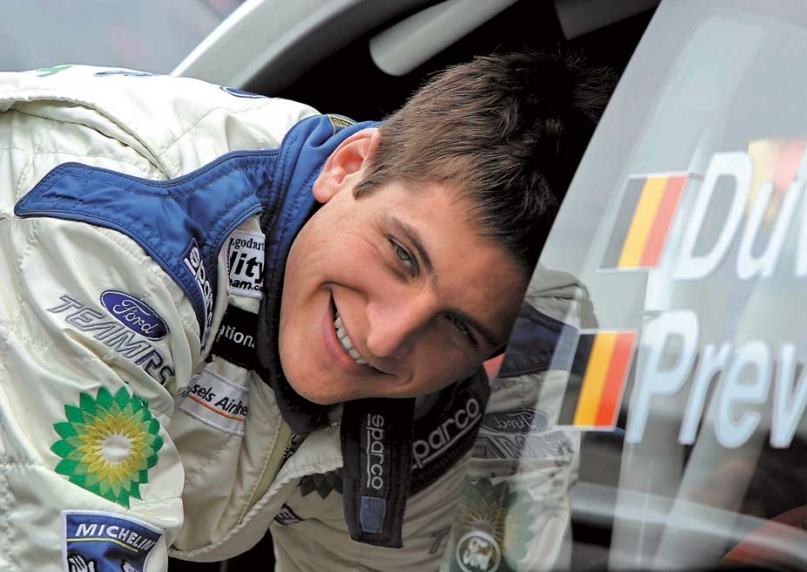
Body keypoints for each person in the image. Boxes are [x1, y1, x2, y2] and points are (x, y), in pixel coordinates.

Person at [0, 50, 613, 571]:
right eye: (402, 256)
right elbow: (59, 541)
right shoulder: (121, 231)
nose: (385, 338)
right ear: (348, 167)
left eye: (457, 326)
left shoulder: (432, 402)